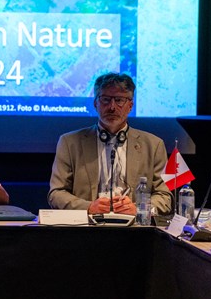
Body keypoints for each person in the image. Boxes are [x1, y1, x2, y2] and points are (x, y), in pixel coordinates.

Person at [48, 72, 173, 216]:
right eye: (106, 100)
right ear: (95, 103)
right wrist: (88, 207)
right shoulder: (69, 143)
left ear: (130, 106)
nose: (112, 107)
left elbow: (165, 197)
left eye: (119, 100)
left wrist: (139, 208)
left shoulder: (154, 145)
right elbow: (56, 193)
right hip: (86, 229)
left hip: (136, 232)